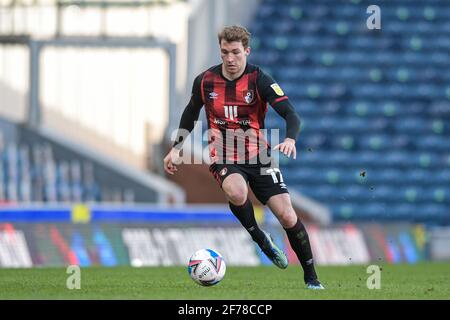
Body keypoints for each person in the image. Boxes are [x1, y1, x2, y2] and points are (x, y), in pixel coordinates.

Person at [163, 25, 324, 289]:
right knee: (236, 191)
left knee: (287, 216)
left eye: (236, 52)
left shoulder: (260, 79)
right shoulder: (205, 81)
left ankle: (311, 277)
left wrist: (290, 138)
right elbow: (191, 113)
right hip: (224, 154)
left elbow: (290, 113)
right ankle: (260, 239)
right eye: (225, 52)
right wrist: (176, 147)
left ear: (246, 51)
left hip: (259, 156)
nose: (230, 58)